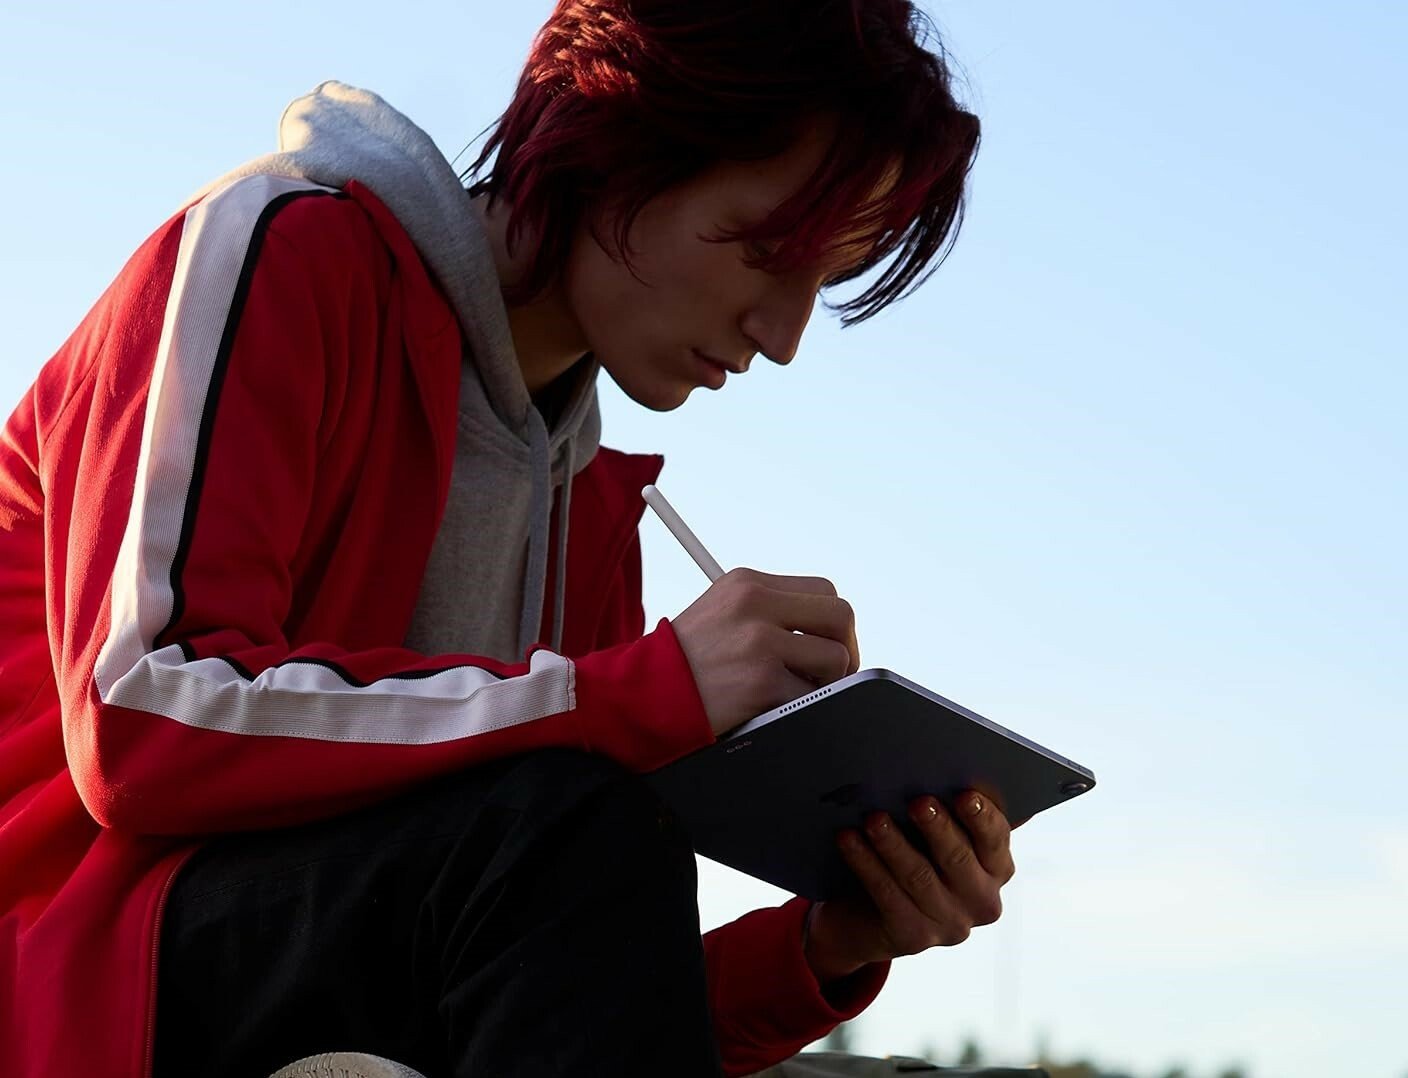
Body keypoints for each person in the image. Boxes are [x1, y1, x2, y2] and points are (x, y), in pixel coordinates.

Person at [0, 1, 1017, 1075]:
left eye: (823, 283)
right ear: (616, 145)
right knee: (580, 823)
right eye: (768, 253)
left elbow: (576, 1002)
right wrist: (634, 696)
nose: (784, 335)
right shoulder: (279, 249)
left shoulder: (592, 505)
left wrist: (828, 943)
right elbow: (142, 720)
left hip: (320, 986)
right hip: (80, 975)